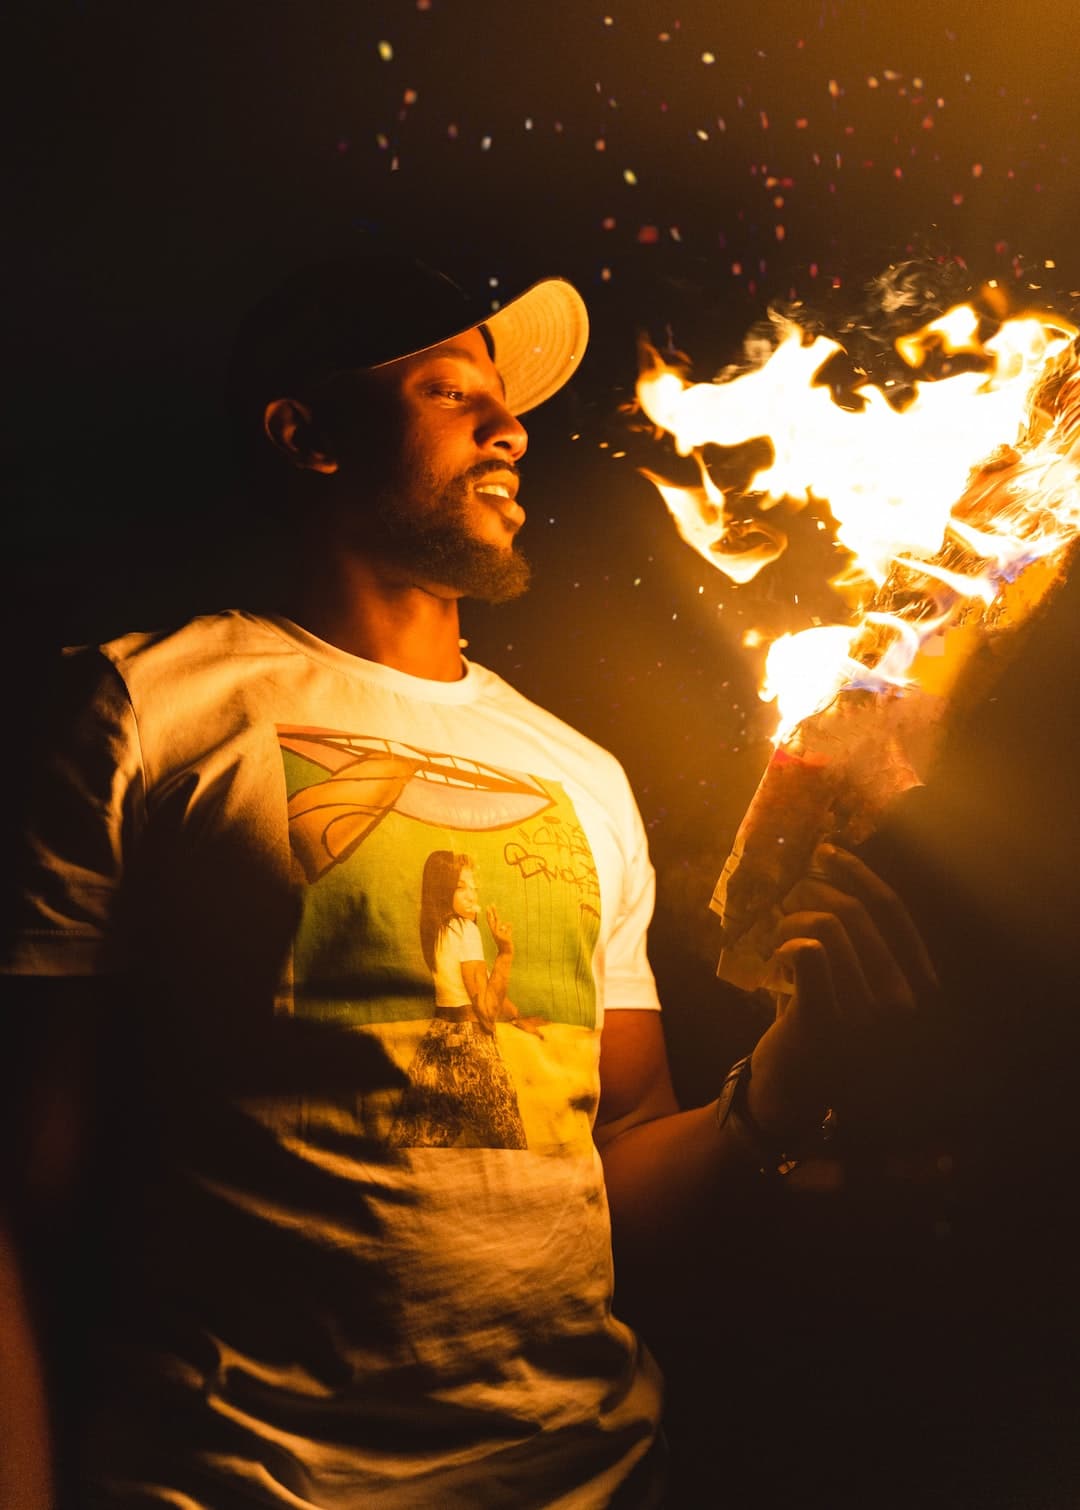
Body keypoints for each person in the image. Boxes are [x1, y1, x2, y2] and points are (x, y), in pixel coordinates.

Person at [1, 253, 936, 1508]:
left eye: (509, 405)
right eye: (452, 392)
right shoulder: (141, 707)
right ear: (307, 434)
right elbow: (24, 1194)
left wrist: (782, 1077)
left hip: (593, 1478)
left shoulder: (581, 774)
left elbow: (618, 1173)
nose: (511, 429)